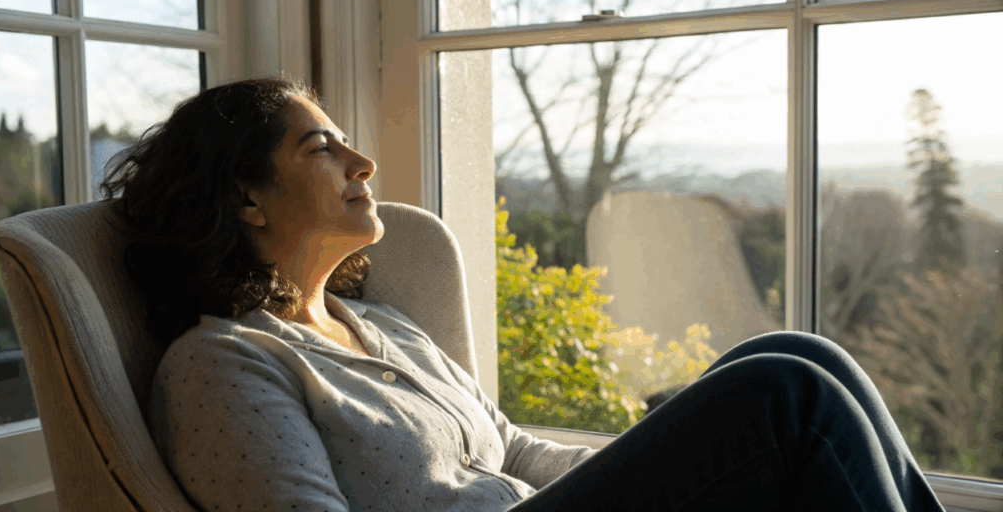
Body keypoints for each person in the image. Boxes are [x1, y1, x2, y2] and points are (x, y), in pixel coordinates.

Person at [103, 77, 947, 511]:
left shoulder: (381, 325)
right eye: (322, 147)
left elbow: (510, 449)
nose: (361, 164)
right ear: (246, 197)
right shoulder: (222, 366)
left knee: (796, 354)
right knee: (784, 395)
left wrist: (668, 469)